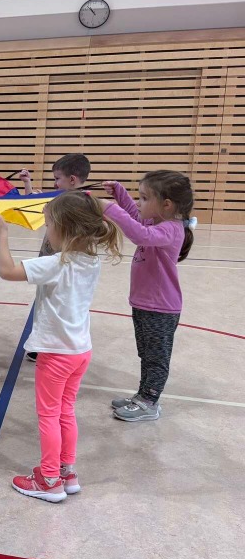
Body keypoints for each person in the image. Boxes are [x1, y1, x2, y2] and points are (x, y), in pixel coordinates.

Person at [0, 191, 122, 502]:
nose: (46, 230)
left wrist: (3, 235)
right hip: (80, 351)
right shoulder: (91, 261)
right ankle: (67, 472)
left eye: (49, 224)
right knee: (65, 411)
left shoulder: (56, 263)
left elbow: (7, 271)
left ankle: (49, 479)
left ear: (63, 228)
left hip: (56, 353)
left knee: (48, 415)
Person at [102, 171, 194, 422]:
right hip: (144, 304)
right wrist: (119, 194)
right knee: (146, 354)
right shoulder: (157, 222)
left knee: (156, 358)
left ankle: (149, 402)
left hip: (160, 308)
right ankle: (143, 395)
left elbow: (139, 234)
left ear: (167, 205)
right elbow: (136, 218)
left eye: (144, 198)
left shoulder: (171, 229)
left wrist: (109, 209)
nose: (139, 202)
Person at [19, 153, 92, 362]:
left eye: (58, 178)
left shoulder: (79, 204)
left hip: (63, 266)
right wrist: (27, 184)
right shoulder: (61, 198)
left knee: (57, 306)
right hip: (49, 263)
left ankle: (54, 346)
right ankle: (41, 345)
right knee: (43, 304)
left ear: (72, 179)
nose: (55, 183)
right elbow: (33, 203)